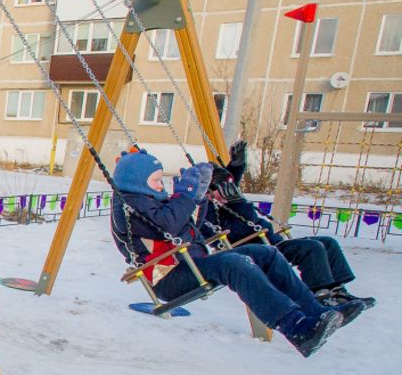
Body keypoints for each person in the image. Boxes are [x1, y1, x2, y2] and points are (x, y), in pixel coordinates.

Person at [109, 148, 360, 357]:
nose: (160, 185)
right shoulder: (129, 205)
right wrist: (184, 196)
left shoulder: (151, 202)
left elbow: (192, 229)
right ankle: (296, 326)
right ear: (137, 182)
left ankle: (316, 313)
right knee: (234, 262)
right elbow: (168, 224)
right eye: (155, 180)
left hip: (191, 265)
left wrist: (199, 198)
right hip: (168, 277)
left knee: (266, 254)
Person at [203, 141, 374, 324]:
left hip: (272, 244)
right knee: (311, 248)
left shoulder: (226, 198)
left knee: (328, 242)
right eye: (221, 189)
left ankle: (338, 291)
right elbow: (243, 226)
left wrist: (237, 165)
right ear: (209, 191)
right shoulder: (209, 210)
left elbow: (229, 183)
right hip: (257, 252)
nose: (229, 192)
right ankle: (320, 295)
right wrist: (236, 202)